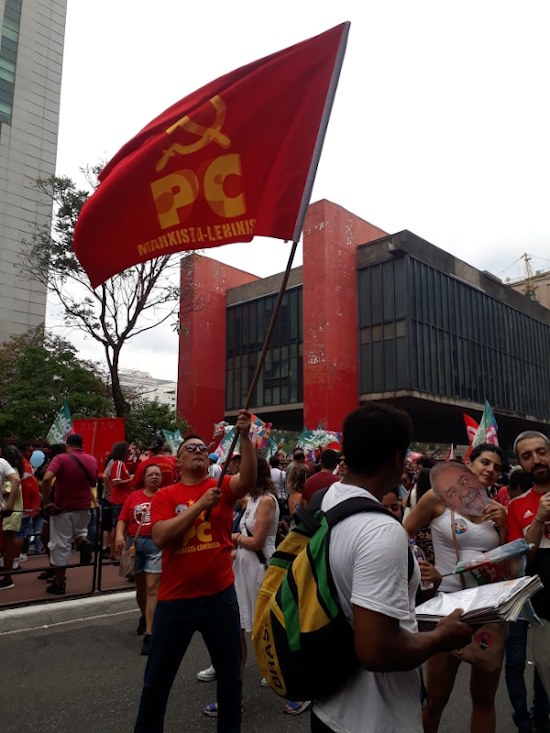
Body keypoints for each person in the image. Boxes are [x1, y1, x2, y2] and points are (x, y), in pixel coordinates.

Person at [311, 404, 473, 733]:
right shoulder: (381, 530)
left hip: (328, 706)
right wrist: (442, 636)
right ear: (399, 459)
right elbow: (377, 651)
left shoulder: (326, 499)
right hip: (375, 719)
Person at [133, 410, 257, 733]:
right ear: (178, 460)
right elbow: (160, 537)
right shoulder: (166, 495)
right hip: (176, 602)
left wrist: (244, 437)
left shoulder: (224, 486)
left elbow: (249, 479)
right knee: (157, 681)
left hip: (220, 599)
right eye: (191, 448)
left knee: (230, 679)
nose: (199, 452)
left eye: (203, 449)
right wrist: (201, 505)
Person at [404, 459, 508, 733]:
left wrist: (504, 525)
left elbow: (508, 563)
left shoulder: (496, 507)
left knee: (484, 699)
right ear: (468, 465)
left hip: (489, 608)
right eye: (485, 462)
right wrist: (421, 569)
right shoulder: (436, 499)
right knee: (436, 698)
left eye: (497, 467)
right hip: (449, 608)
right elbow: (402, 535)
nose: (491, 470)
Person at [203, 455, 279, 715]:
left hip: (260, 571)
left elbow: (257, 541)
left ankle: (291, 684)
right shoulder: (253, 499)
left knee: (264, 628)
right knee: (238, 628)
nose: (238, 473)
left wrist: (233, 536)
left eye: (243, 469)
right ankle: (234, 692)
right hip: (244, 570)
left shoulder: (267, 501)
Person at [508, 431, 550, 725]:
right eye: (527, 456)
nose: (537, 460)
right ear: (521, 464)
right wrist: (539, 518)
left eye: (542, 451)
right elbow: (521, 564)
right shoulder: (516, 506)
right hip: (545, 612)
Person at [40, 433, 98, 596]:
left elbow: (46, 479)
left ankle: (59, 583)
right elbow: (93, 482)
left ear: (67, 445)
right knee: (80, 532)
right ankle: (83, 542)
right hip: (84, 506)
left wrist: (46, 503)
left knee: (61, 545)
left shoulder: (61, 459)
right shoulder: (92, 460)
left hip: (63, 508)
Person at [115, 463, 163, 656]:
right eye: (150, 474)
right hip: (136, 545)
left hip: (156, 545)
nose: (154, 477)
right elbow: (122, 519)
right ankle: (145, 616)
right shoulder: (134, 497)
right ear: (144, 478)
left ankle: (150, 633)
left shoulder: (165, 496)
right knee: (141, 588)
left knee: (153, 588)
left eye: (157, 474)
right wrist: (119, 535)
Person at [102, 441, 133, 559]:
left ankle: (114, 552)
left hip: (121, 499)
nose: (129, 452)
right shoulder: (118, 464)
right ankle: (116, 552)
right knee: (118, 526)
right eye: (128, 450)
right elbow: (116, 481)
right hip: (120, 500)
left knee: (117, 525)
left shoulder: (120, 464)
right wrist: (131, 479)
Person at [0, 445, 23, 590]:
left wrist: (7, 505)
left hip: (8, 512)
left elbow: (8, 491)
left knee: (7, 545)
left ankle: (8, 576)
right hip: (13, 511)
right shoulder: (13, 470)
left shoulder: (8, 471)